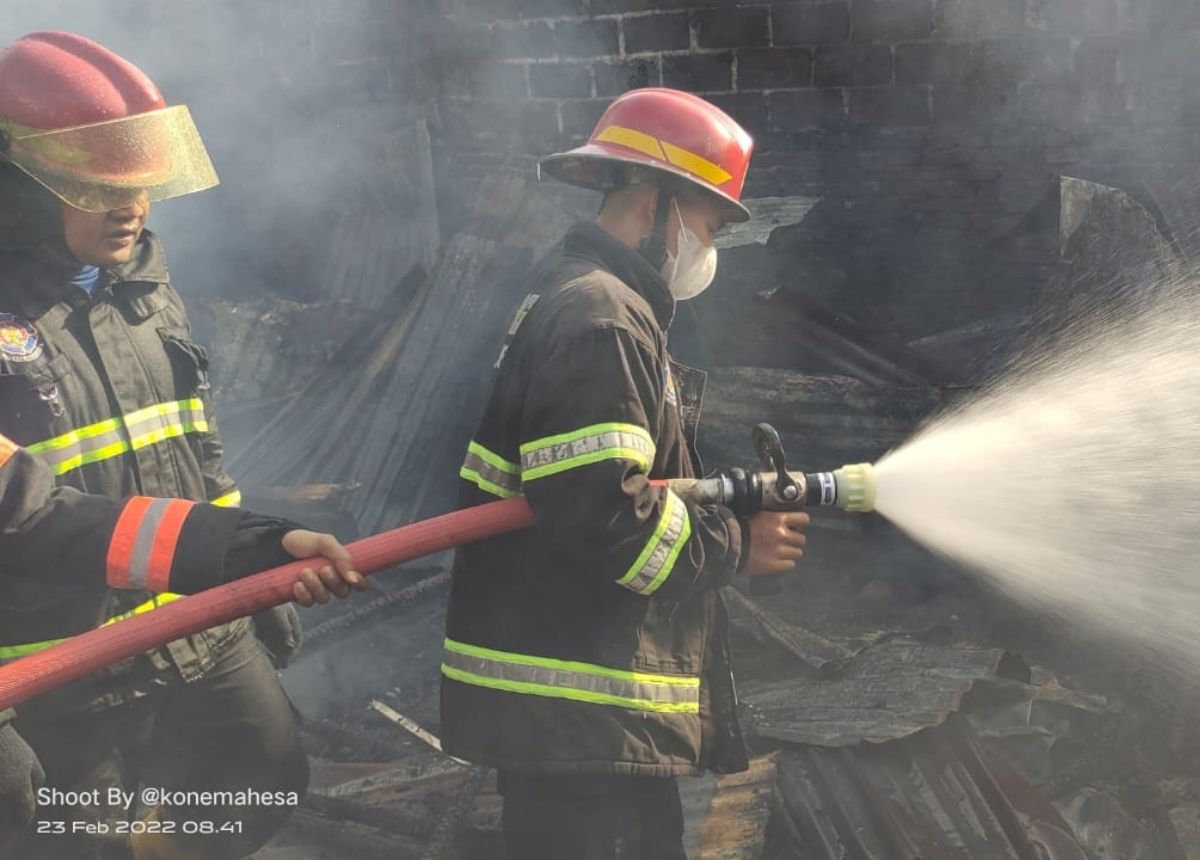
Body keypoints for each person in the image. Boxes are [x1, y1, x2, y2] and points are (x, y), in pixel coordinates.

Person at [441, 87, 811, 859]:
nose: (709, 251)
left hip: (582, 707)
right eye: (709, 226)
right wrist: (737, 547)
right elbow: (607, 516)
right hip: (580, 706)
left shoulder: (596, 299)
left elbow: (609, 485)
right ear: (658, 201)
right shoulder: (601, 318)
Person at [0, 30, 321, 859]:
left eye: (138, 181)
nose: (130, 204)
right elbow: (23, 511)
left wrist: (247, 584)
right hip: (65, 664)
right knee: (81, 845)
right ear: (21, 184)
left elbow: (194, 451)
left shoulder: (147, 287)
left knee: (268, 779)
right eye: (93, 182)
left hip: (195, 629)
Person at [0, 432, 365, 855]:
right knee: (74, 842)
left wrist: (245, 565)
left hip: (195, 635)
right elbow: (32, 513)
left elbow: (199, 463)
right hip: (58, 674)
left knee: (258, 786)